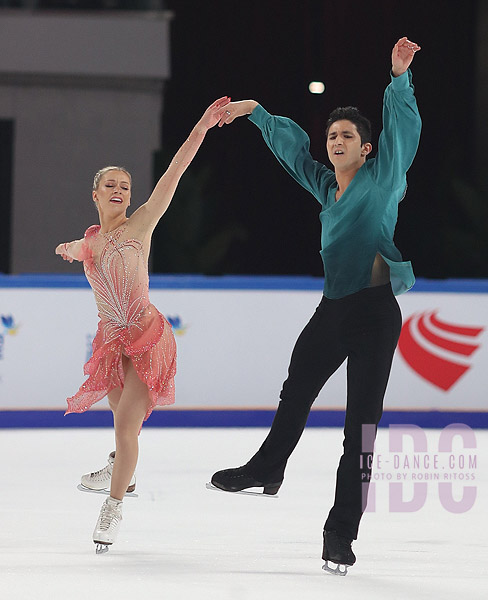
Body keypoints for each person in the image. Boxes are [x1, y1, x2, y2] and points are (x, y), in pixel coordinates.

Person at [210, 37, 421, 575]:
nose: (336, 141)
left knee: (361, 429)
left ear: (366, 149)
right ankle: (268, 467)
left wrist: (398, 79)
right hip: (333, 310)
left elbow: (402, 132)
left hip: (375, 315)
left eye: (347, 135)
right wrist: (257, 113)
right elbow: (292, 150)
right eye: (332, 135)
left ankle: (340, 535)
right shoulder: (325, 187)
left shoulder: (384, 177)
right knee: (296, 388)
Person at [55, 96, 231, 553]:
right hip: (112, 342)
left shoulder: (141, 226)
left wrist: (203, 125)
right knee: (121, 422)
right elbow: (78, 247)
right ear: (94, 195)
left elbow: (176, 169)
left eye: (125, 186)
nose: (119, 191)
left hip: (148, 337)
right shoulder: (91, 241)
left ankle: (112, 507)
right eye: (110, 186)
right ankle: (121, 470)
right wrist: (66, 249)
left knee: (126, 425)